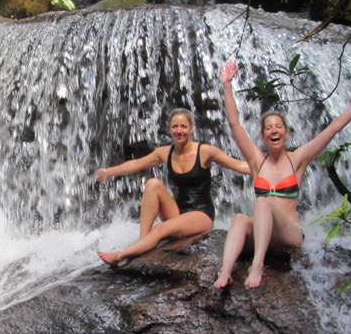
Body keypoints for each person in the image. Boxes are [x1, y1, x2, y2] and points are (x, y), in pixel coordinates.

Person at [213, 57, 351, 289]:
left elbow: (333, 128)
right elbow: (234, 123)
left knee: (263, 203)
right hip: (259, 234)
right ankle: (225, 272)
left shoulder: (298, 159)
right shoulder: (257, 160)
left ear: (286, 134)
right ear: (263, 136)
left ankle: (257, 265)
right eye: (269, 128)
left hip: (289, 235)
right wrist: (227, 85)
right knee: (239, 218)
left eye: (278, 127)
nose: (274, 130)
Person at [96, 108, 250, 265]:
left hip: (201, 214)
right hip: (177, 213)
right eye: (175, 127)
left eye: (183, 126)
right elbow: (136, 164)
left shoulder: (205, 151)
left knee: (159, 229)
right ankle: (143, 241)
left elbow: (238, 165)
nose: (179, 131)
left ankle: (121, 255)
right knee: (152, 184)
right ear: (169, 129)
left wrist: (265, 167)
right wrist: (109, 172)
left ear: (191, 128)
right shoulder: (165, 153)